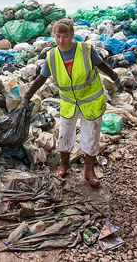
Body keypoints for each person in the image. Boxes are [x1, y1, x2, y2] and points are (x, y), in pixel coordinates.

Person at [24, 18, 119, 187]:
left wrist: (115, 77)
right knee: (65, 135)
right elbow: (41, 78)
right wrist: (27, 95)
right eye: (58, 36)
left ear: (72, 35)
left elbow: (102, 65)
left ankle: (90, 171)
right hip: (69, 103)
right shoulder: (52, 56)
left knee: (91, 136)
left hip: (91, 101)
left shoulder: (85, 50)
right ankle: (64, 165)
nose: (61, 40)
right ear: (54, 36)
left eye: (65, 36)